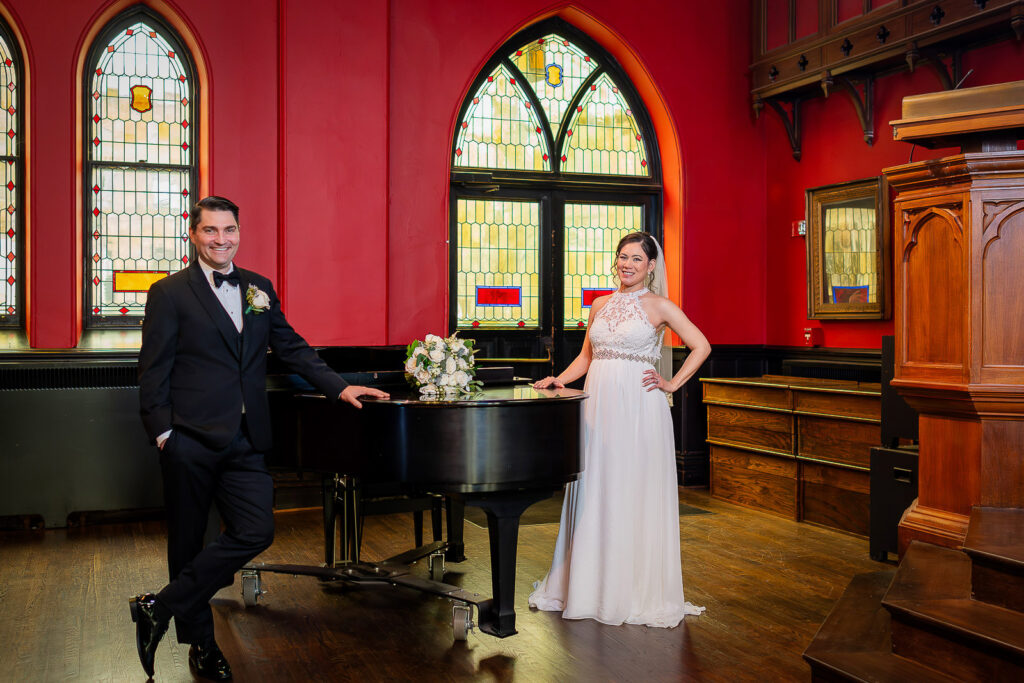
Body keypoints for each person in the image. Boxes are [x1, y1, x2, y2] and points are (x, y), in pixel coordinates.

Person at [131, 196, 388, 680]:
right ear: (194, 234)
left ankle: (157, 606)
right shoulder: (169, 293)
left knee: (257, 530)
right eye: (211, 231)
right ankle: (203, 648)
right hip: (188, 439)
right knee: (187, 546)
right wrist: (164, 434)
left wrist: (339, 385)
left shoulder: (258, 288)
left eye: (229, 230)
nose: (221, 239)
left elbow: (292, 348)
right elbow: (152, 371)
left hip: (247, 438)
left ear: (238, 232)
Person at [528, 231, 711, 628]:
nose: (627, 264)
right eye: (622, 257)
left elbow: (701, 345)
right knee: (596, 486)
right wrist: (558, 379)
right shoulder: (599, 304)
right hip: (599, 407)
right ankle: (589, 586)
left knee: (631, 488)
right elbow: (586, 357)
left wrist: (672, 383)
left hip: (639, 409)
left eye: (636, 259)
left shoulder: (660, 306)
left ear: (650, 266)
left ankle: (632, 591)